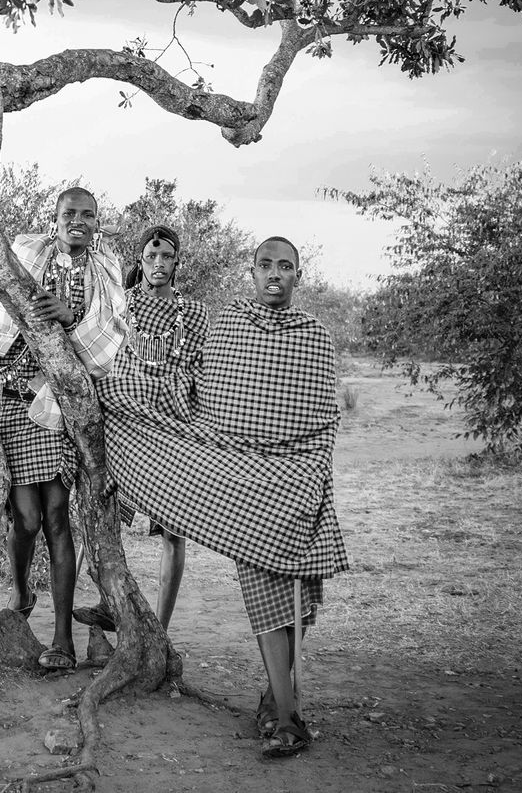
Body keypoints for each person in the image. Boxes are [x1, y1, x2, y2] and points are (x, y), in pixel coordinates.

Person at [101, 236, 347, 760]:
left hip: (298, 480)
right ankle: (286, 716)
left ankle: (282, 703)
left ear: (299, 276)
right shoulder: (230, 325)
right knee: (263, 591)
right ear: (251, 272)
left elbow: (323, 419)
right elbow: (212, 406)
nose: (274, 274)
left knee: (295, 599)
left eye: (285, 266)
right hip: (242, 483)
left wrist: (310, 475)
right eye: (265, 265)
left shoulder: (315, 336)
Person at [0, 187, 126, 671]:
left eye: (87, 215)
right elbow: (1, 320)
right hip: (12, 401)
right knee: (27, 520)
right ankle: (21, 596)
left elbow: (113, 330)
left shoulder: (105, 271)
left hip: (59, 407)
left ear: (98, 222)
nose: (77, 221)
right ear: (54, 218)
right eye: (68, 214)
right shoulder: (26, 255)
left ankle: (63, 640)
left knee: (56, 517)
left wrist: (73, 316)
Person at [78, 224, 209, 631]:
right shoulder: (118, 305)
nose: (158, 263)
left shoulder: (195, 314)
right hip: (125, 427)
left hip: (173, 430)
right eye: (151, 256)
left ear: (176, 262)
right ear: (140, 260)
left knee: (174, 531)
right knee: (106, 514)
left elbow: (203, 374)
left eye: (166, 256)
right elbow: (97, 356)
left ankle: (161, 629)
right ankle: (110, 604)